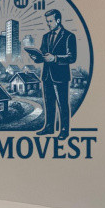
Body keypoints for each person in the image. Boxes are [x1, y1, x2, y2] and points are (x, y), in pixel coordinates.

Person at [34, 8, 76, 140]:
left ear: (58, 20)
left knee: (62, 104)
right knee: (49, 103)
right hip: (47, 75)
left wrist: (55, 58)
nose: (48, 24)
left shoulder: (69, 36)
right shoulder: (45, 36)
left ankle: (64, 130)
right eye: (47, 21)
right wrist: (36, 57)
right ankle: (49, 127)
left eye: (50, 21)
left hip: (60, 76)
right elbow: (42, 54)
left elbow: (72, 57)